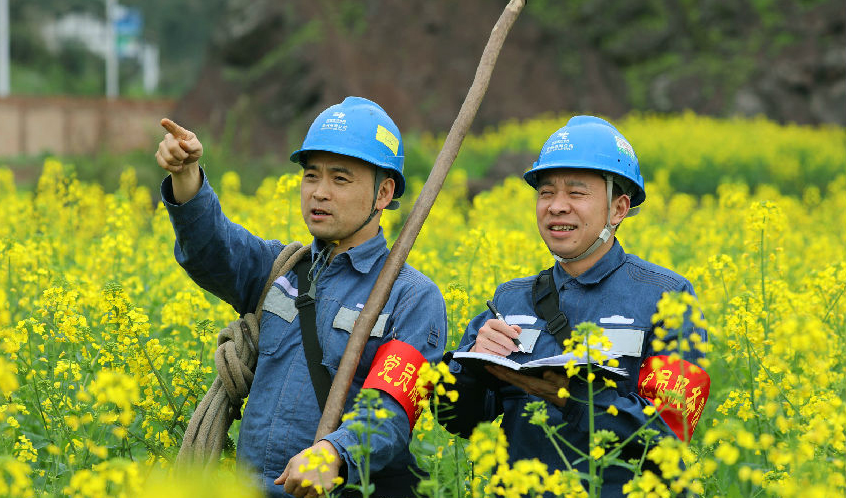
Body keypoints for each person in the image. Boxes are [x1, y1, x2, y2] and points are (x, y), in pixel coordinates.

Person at [156, 96, 447, 498]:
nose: (319, 193)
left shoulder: (412, 297)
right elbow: (212, 250)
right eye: (312, 176)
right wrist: (186, 176)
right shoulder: (279, 268)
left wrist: (333, 452)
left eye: (340, 179)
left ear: (384, 193)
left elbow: (390, 409)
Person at [439, 115, 710, 496]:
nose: (556, 207)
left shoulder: (669, 297)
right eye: (546, 192)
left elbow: (671, 429)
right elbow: (459, 420)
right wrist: (471, 367)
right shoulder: (510, 299)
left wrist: (571, 397)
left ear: (618, 209)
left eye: (576, 193)